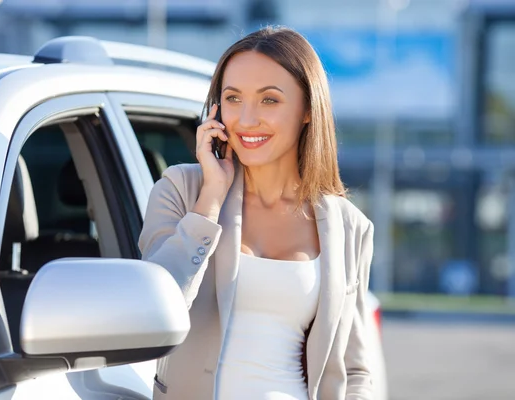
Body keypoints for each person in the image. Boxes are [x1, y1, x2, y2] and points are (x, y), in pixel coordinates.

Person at [139, 26, 374, 400]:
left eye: (269, 100)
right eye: (233, 98)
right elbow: (153, 310)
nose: (246, 120)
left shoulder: (349, 226)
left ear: (308, 110)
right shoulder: (181, 190)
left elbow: (355, 369)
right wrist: (211, 198)